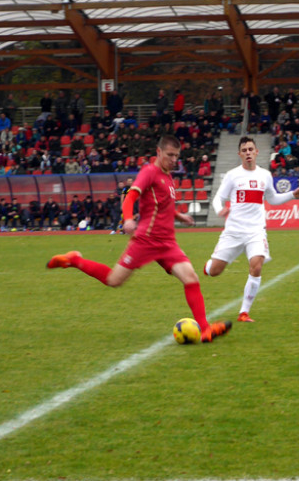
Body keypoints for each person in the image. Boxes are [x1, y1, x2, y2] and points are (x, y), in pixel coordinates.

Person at [46, 135, 232, 343]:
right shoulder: (149, 172)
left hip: (167, 242)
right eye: (169, 155)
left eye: (176, 156)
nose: (173, 159)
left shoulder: (169, 177)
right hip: (146, 240)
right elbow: (131, 196)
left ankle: (205, 329)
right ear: (159, 152)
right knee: (113, 280)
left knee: (191, 278)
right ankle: (74, 260)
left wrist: (180, 216)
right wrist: (127, 219)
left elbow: (163, 205)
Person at [203, 136, 299, 323]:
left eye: (251, 149)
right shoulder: (232, 175)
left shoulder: (265, 175)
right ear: (239, 154)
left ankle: (244, 312)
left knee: (257, 266)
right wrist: (220, 210)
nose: (248, 153)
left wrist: (293, 194)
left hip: (256, 231)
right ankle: (208, 267)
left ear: (257, 152)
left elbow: (272, 199)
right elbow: (217, 198)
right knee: (215, 271)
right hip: (234, 231)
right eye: (244, 150)